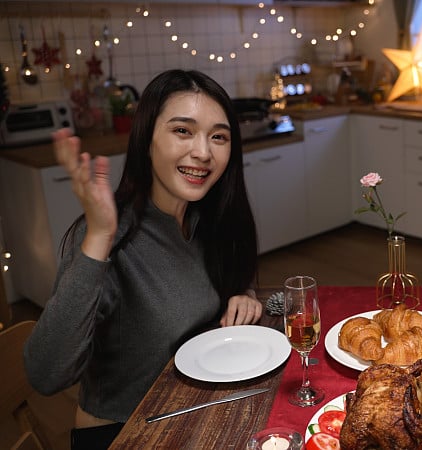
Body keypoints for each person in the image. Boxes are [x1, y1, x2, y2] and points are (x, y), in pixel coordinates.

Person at [24, 69, 263, 449]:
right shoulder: (108, 235)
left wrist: (243, 293)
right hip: (126, 433)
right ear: (147, 138)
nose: (203, 152)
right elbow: (45, 373)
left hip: (194, 411)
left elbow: (235, 270)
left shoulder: (207, 216)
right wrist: (100, 236)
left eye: (218, 136)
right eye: (182, 130)